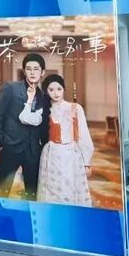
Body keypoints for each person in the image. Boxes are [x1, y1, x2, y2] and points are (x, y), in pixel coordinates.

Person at [0, 53, 48, 199]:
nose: (32, 72)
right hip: (10, 147)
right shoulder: (11, 88)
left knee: (31, 192)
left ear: (42, 72)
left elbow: (43, 124)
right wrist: (1, 143)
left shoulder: (43, 95)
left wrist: (42, 146)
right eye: (29, 69)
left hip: (33, 152)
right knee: (2, 190)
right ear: (24, 71)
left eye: (36, 69)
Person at [37, 75, 93, 206]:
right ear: (46, 92)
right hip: (51, 154)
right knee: (51, 192)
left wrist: (86, 163)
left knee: (69, 190)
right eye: (51, 90)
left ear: (64, 89)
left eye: (59, 89)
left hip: (71, 155)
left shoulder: (75, 108)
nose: (55, 93)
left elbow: (84, 135)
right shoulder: (44, 110)